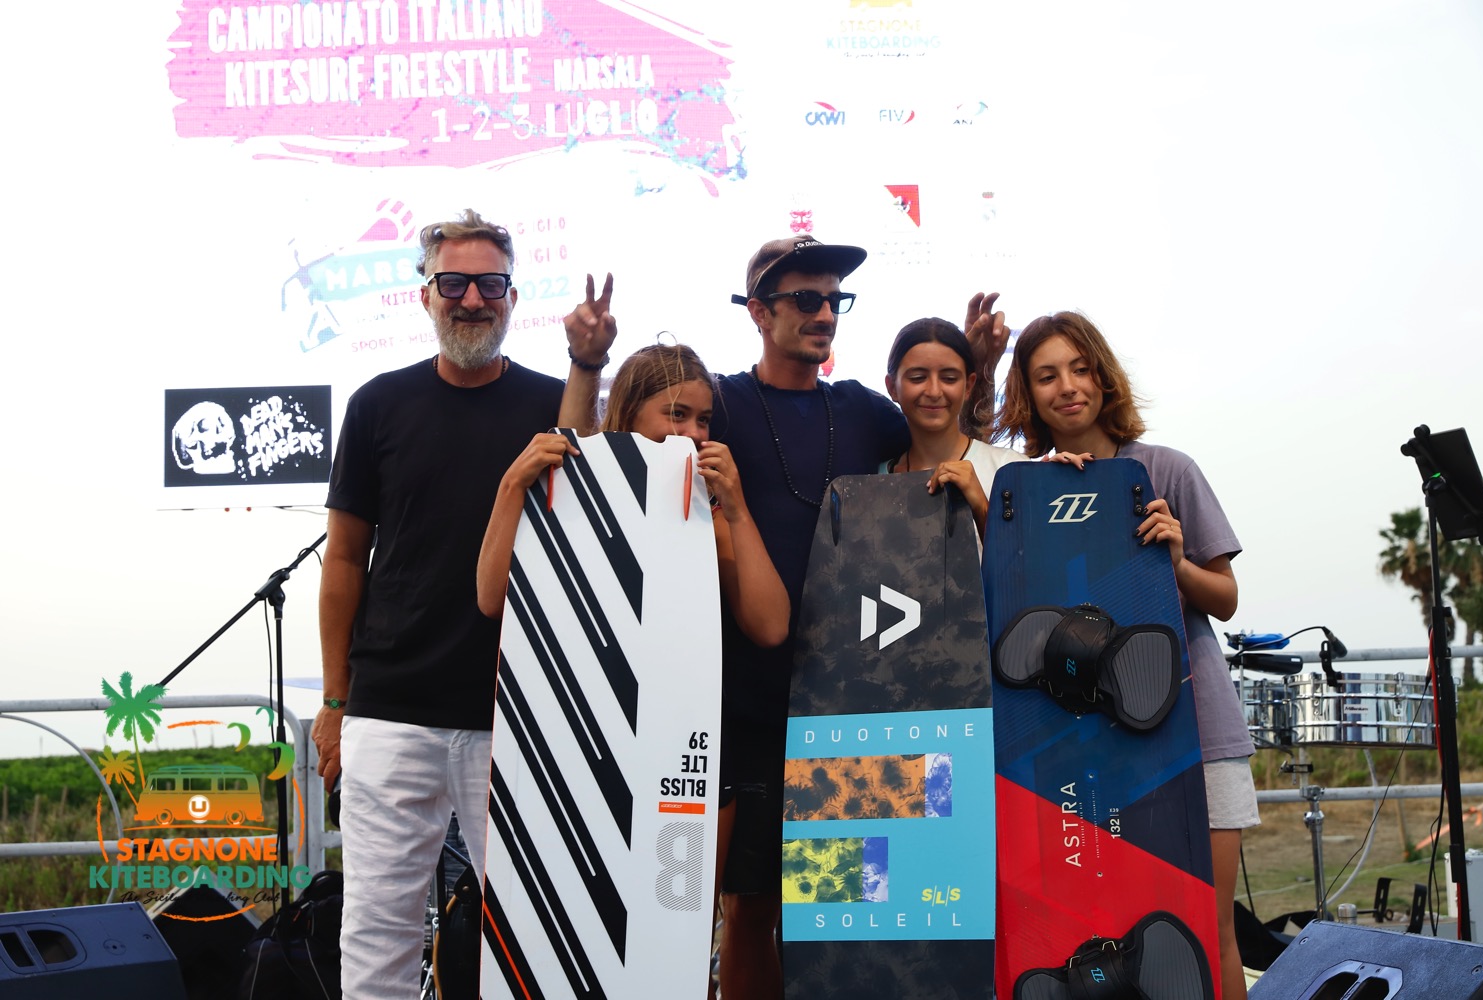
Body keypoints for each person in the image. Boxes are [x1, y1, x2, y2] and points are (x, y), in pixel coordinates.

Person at [560, 237, 1009, 998]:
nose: (824, 313)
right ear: (759, 312)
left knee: (838, 907)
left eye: (834, 299)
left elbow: (948, 436)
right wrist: (586, 365)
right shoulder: (718, 404)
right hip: (745, 702)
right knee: (747, 910)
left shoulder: (864, 410)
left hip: (850, 709)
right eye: (805, 299)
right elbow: (589, 461)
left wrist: (983, 371)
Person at [475, 341, 790, 1000]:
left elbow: (770, 624)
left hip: (688, 758)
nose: (692, 433)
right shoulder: (568, 480)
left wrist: (735, 508)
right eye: (676, 414)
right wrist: (509, 485)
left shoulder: (705, 505)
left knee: (680, 941)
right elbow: (491, 598)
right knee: (572, 938)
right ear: (628, 411)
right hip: (578, 753)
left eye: (703, 420)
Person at [311, 209, 567, 1000]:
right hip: (391, 710)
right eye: (453, 283)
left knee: (535, 936)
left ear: (513, 296)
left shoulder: (557, 406)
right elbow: (345, 558)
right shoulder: (378, 404)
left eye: (489, 284)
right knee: (377, 934)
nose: (472, 299)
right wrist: (333, 701)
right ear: (425, 295)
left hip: (519, 714)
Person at [996, 310, 1256, 1000]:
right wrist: (1050, 501)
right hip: (1088, 743)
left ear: (1104, 377)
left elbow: (1225, 599)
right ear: (1027, 394)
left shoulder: (1167, 468)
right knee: (1110, 936)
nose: (1067, 387)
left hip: (1199, 728)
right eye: (1046, 376)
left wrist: (1176, 559)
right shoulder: (1022, 488)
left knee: (1211, 932)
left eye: (1080, 369)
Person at [881, 317, 1025, 534]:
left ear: (968, 386)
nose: (934, 391)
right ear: (892, 387)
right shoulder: (874, 479)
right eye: (918, 378)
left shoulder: (1008, 468)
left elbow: (1030, 554)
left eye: (949, 378)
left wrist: (982, 507)